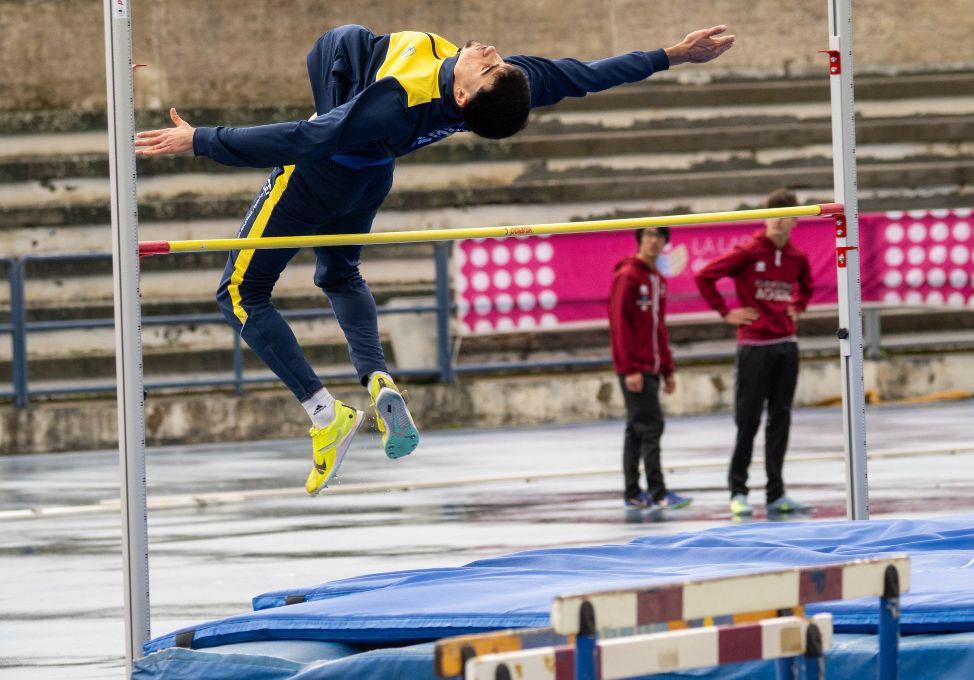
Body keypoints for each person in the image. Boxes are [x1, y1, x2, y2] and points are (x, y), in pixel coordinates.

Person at [135, 24, 736, 496]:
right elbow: (584, 75)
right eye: (497, 61)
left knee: (240, 293)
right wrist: (672, 55)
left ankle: (324, 415)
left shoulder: (399, 100)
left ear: (463, 94)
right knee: (340, 273)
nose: (493, 52)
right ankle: (377, 378)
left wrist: (202, 140)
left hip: (319, 172)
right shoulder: (496, 88)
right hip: (370, 177)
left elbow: (305, 139)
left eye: (489, 65)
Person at [694, 189, 814, 517]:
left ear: (794, 220)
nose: (777, 222)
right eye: (771, 215)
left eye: (783, 216)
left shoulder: (797, 256)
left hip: (786, 345)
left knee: (781, 419)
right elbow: (704, 276)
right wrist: (726, 312)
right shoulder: (748, 250)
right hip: (754, 348)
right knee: (747, 421)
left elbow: (808, 286)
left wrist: (798, 305)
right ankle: (738, 491)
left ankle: (776, 493)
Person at [609, 227, 693, 510]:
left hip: (653, 366)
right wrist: (630, 368)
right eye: (648, 235)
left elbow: (659, 327)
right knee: (651, 426)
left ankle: (633, 493)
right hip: (636, 367)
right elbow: (620, 325)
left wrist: (668, 369)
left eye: (659, 236)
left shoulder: (657, 279)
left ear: (666, 242)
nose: (654, 240)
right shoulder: (628, 276)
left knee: (636, 428)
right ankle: (658, 492)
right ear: (639, 240)